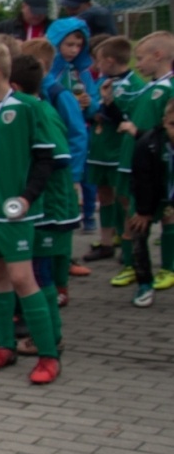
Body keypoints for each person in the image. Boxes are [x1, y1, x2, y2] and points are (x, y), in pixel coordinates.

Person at [0, 40, 60, 384]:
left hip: (15, 209)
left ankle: (48, 354)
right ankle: (5, 346)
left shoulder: (29, 108)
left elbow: (47, 159)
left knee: (22, 277)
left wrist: (29, 198)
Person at [9, 54, 80, 357]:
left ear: (13, 85)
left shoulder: (39, 111)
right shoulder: (35, 109)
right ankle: (48, 334)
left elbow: (59, 158)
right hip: (43, 204)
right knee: (40, 271)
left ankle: (50, 337)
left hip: (51, 206)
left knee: (42, 273)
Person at [113, 32, 174, 290]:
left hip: (157, 165)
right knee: (130, 210)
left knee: (166, 214)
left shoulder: (167, 89)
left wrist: (135, 131)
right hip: (132, 159)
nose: (137, 64)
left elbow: (161, 132)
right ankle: (132, 265)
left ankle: (167, 269)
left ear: (158, 56)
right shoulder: (150, 86)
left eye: (141, 58)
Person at [83, 35, 140, 270]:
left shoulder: (134, 86)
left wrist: (106, 108)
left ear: (109, 59)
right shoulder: (101, 81)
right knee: (105, 195)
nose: (95, 66)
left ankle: (131, 244)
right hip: (98, 150)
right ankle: (107, 241)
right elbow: (93, 111)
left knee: (124, 197)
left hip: (118, 152)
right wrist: (88, 108)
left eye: (98, 60)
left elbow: (126, 120)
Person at [125, 95, 174, 306]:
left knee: (171, 226)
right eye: (173, 124)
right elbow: (141, 178)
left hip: (170, 195)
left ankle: (168, 269)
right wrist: (144, 210)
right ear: (164, 122)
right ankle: (144, 282)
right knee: (137, 230)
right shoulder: (149, 145)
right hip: (148, 193)